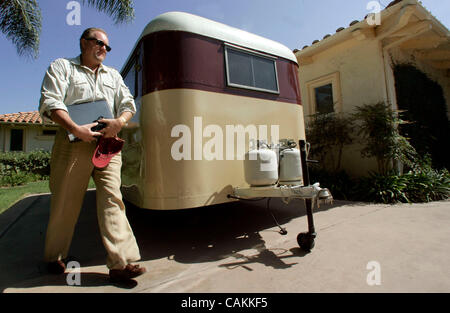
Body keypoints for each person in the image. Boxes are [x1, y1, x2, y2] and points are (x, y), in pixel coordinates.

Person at [39, 27, 146, 283]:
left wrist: (119, 122)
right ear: (84, 43)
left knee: (112, 198)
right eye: (99, 43)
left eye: (108, 47)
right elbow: (51, 102)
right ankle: (54, 256)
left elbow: (128, 105)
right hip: (73, 142)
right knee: (66, 200)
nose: (104, 49)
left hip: (107, 145)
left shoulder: (114, 76)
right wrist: (76, 129)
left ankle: (122, 262)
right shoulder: (62, 67)